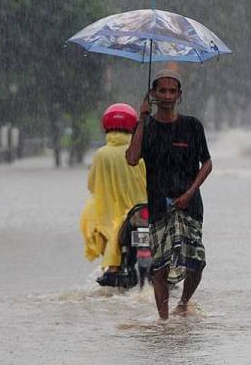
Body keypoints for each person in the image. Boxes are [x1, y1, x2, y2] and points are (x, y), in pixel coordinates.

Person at [126, 69, 212, 320]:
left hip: (190, 205)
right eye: (161, 90)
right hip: (158, 206)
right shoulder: (147, 127)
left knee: (196, 260)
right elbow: (132, 158)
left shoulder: (192, 126)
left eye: (171, 91)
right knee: (159, 265)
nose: (166, 96)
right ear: (153, 94)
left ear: (179, 95)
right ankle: (163, 320)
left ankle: (183, 303)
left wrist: (190, 191)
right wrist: (141, 119)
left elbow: (207, 163)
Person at [80, 103, 147, 286]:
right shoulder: (141, 150)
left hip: (117, 216)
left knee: (95, 219)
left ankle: (113, 267)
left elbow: (92, 185)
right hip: (145, 211)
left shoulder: (101, 155)